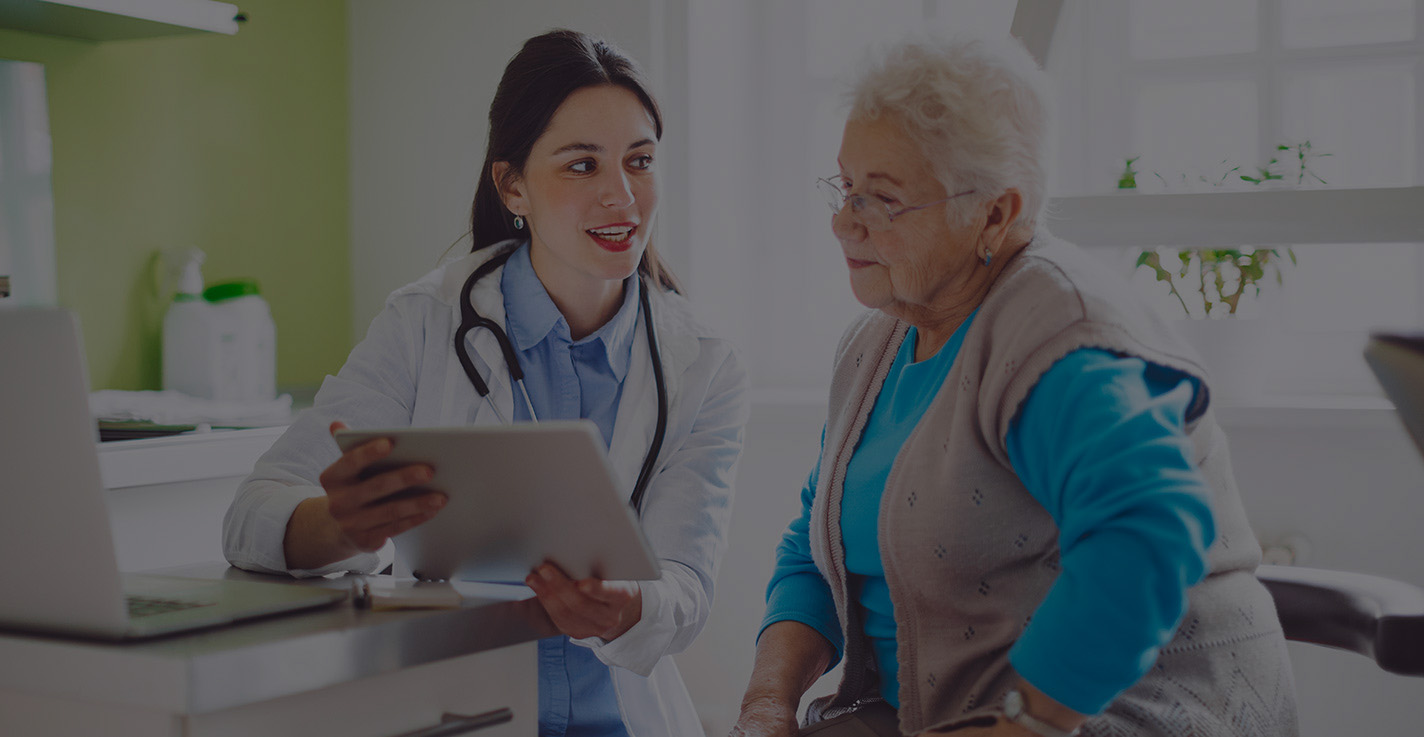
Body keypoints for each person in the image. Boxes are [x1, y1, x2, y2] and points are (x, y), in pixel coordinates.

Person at [730, 34, 1298, 737]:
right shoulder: (877, 338)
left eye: (882, 198)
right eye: (846, 188)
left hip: (1117, 715)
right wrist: (765, 705)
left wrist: (1025, 725)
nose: (843, 220)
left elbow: (1149, 532)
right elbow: (817, 549)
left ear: (995, 213)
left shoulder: (1059, 329)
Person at [223, 29, 748, 737]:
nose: (621, 195)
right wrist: (339, 524)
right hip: (454, 715)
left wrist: (630, 602)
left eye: (640, 161)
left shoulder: (704, 363)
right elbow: (251, 514)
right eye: (582, 164)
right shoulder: (425, 322)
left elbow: (686, 584)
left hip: (617, 720)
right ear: (512, 185)